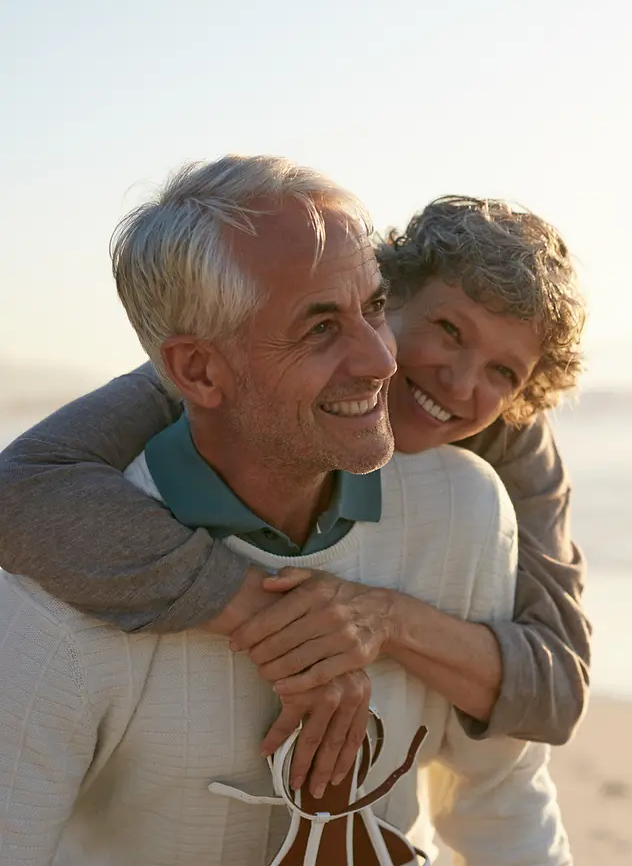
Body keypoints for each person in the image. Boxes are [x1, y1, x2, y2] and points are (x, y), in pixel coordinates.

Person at [0, 156, 571, 866]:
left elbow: (522, 759)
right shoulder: (56, 569)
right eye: (321, 326)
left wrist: (381, 619)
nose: (381, 362)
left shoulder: (473, 500)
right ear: (198, 372)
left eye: (366, 310)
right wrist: (273, 622)